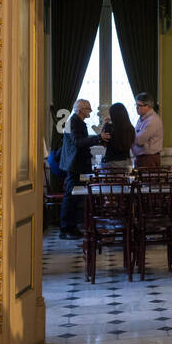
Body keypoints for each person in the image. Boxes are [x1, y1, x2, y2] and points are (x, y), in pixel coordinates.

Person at [58, 98, 109, 240]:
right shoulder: (73, 122)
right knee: (70, 197)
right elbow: (78, 142)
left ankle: (71, 227)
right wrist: (98, 138)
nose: (91, 111)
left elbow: (82, 140)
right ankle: (66, 229)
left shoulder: (77, 122)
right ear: (80, 110)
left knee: (75, 198)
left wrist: (100, 134)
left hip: (77, 164)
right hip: (74, 165)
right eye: (88, 109)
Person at [98, 102, 136, 170]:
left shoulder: (109, 127)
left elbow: (103, 143)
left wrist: (104, 125)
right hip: (127, 162)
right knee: (125, 180)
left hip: (112, 162)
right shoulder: (131, 128)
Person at [132, 91, 163, 168]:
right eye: (136, 104)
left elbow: (139, 140)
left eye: (139, 105)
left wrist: (129, 133)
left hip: (149, 159)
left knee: (147, 180)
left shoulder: (152, 120)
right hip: (142, 158)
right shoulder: (142, 118)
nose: (137, 107)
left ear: (148, 106)